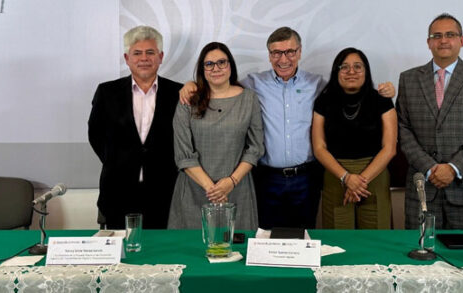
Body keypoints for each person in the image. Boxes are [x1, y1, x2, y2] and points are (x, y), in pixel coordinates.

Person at [180, 28, 395, 230]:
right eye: (276, 53)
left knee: (304, 237)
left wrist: (385, 90)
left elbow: (351, 88)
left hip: (306, 177)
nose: (283, 59)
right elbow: (220, 84)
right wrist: (192, 85)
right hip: (267, 178)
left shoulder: (317, 84)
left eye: (290, 52)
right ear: (269, 55)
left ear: (299, 52)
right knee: (267, 239)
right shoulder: (253, 84)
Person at [396, 13, 463, 230]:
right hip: (424, 192)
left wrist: (454, 168)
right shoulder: (409, 79)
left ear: (461, 40)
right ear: (429, 42)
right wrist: (430, 168)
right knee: (421, 252)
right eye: (437, 36)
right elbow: (403, 129)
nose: (443, 40)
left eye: (450, 35)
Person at [88, 26, 183, 229]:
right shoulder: (107, 92)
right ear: (127, 58)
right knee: (121, 247)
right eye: (137, 53)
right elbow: (95, 134)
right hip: (117, 191)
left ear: (160, 57)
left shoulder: (179, 93)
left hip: (165, 192)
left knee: (163, 247)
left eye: (150, 52)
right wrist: (117, 160)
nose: (144, 58)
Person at [168, 42, 265, 229]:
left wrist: (231, 182)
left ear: (230, 65)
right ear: (202, 69)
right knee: (191, 246)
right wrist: (212, 190)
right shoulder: (188, 100)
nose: (216, 68)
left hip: (237, 190)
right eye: (209, 64)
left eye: (222, 62)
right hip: (194, 192)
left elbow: (255, 148)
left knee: (237, 245)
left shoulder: (249, 98)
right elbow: (183, 153)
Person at [312, 48, 397, 229]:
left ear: (366, 71)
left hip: (374, 175)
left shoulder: (381, 100)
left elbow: (389, 148)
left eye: (358, 67)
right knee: (338, 240)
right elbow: (319, 147)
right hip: (336, 176)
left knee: (375, 239)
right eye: (344, 67)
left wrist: (359, 181)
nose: (351, 71)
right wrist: (346, 178)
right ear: (336, 71)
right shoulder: (323, 101)